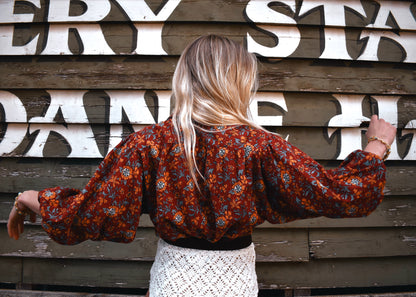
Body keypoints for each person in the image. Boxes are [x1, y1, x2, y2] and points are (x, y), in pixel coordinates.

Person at [8, 35, 396, 297]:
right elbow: (342, 194)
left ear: (186, 79)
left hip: (173, 281)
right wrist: (377, 146)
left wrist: (32, 198)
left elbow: (92, 213)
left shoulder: (148, 145)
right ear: (239, 82)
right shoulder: (261, 147)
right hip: (236, 284)